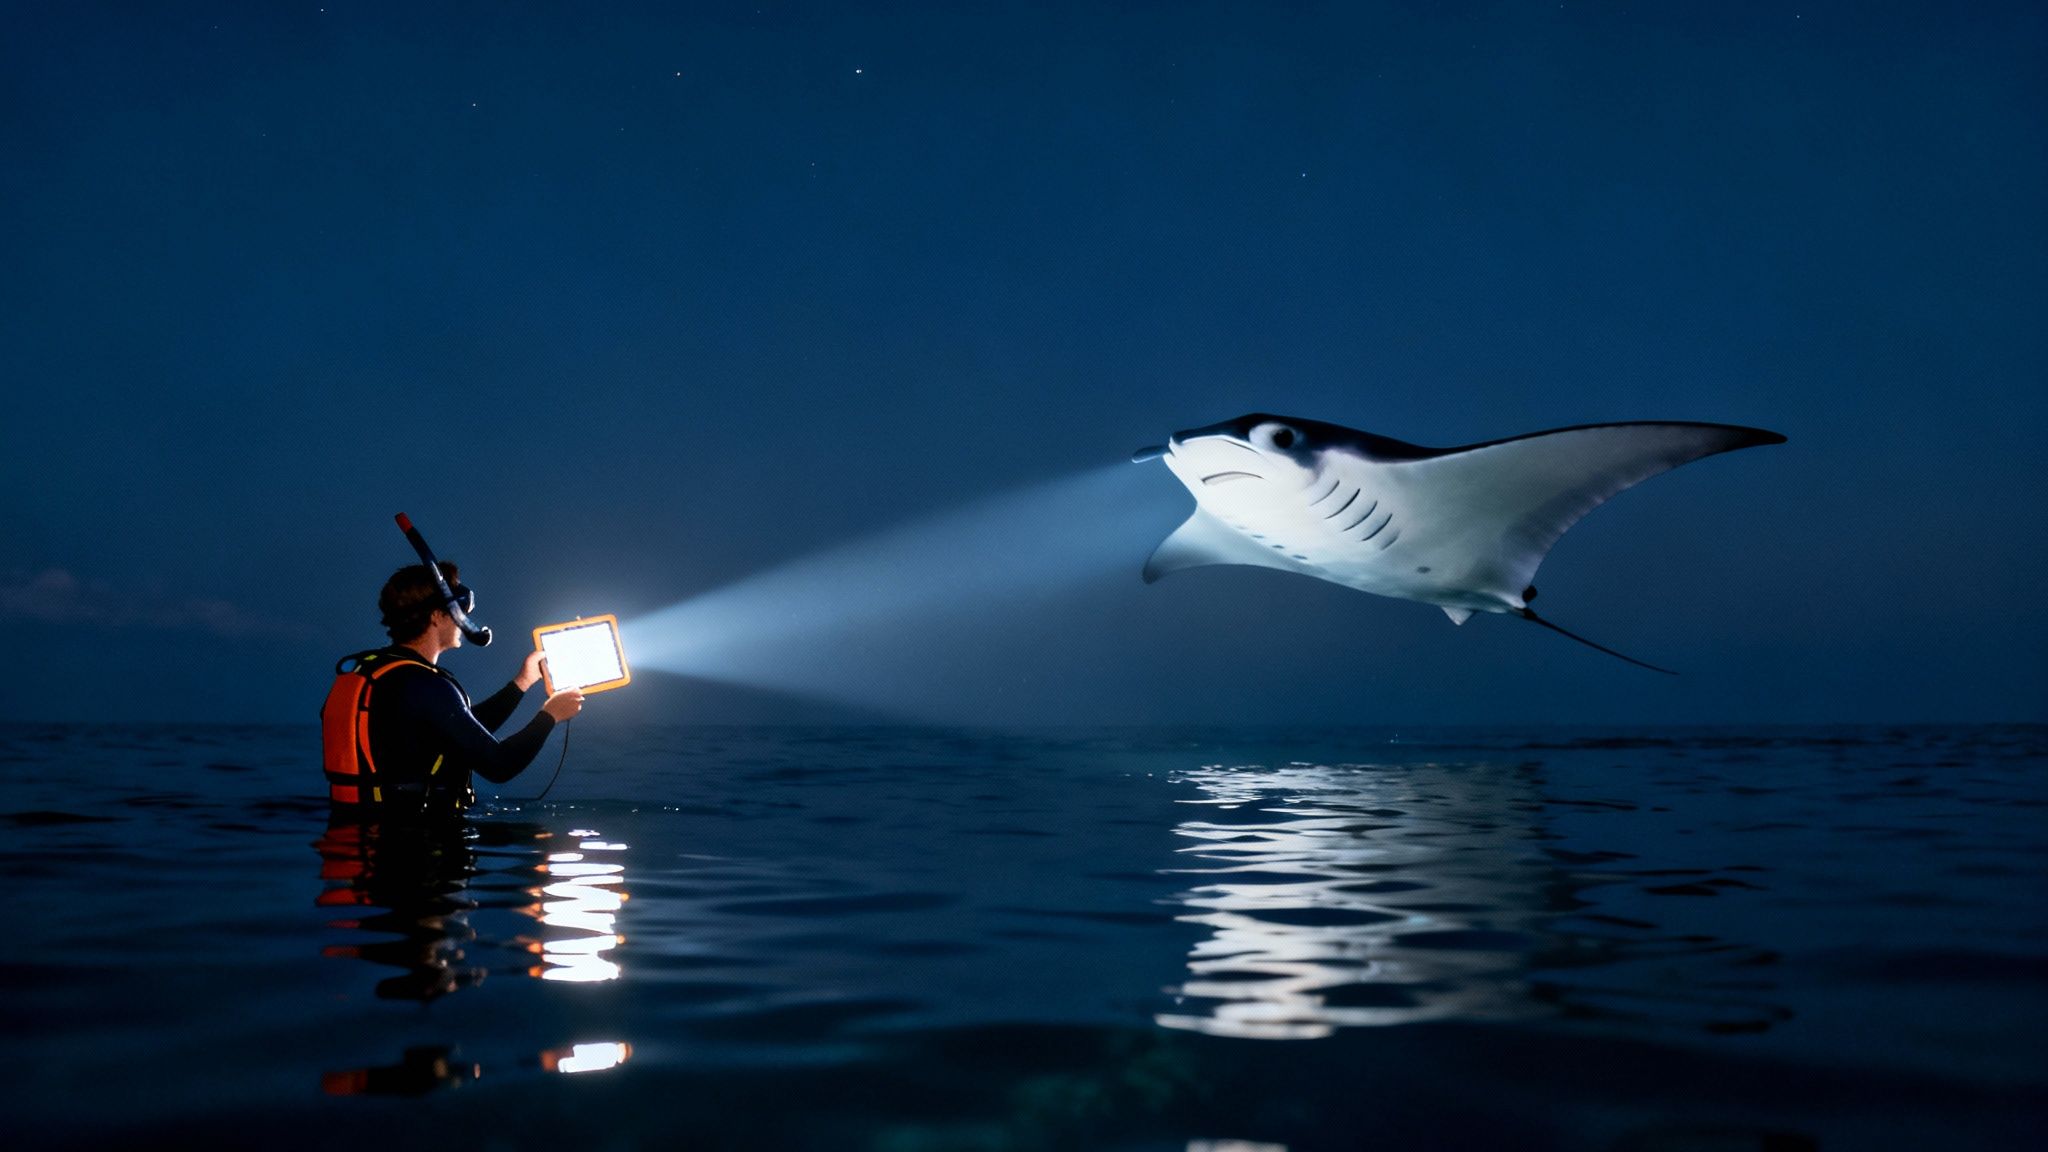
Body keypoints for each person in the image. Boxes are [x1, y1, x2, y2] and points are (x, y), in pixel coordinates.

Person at [321, 561, 583, 816]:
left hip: (363, 833)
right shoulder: (427, 685)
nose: (465, 618)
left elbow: (461, 731)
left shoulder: (380, 673)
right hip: (418, 846)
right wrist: (550, 716)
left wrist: (522, 682)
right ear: (437, 616)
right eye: (459, 608)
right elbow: (499, 765)